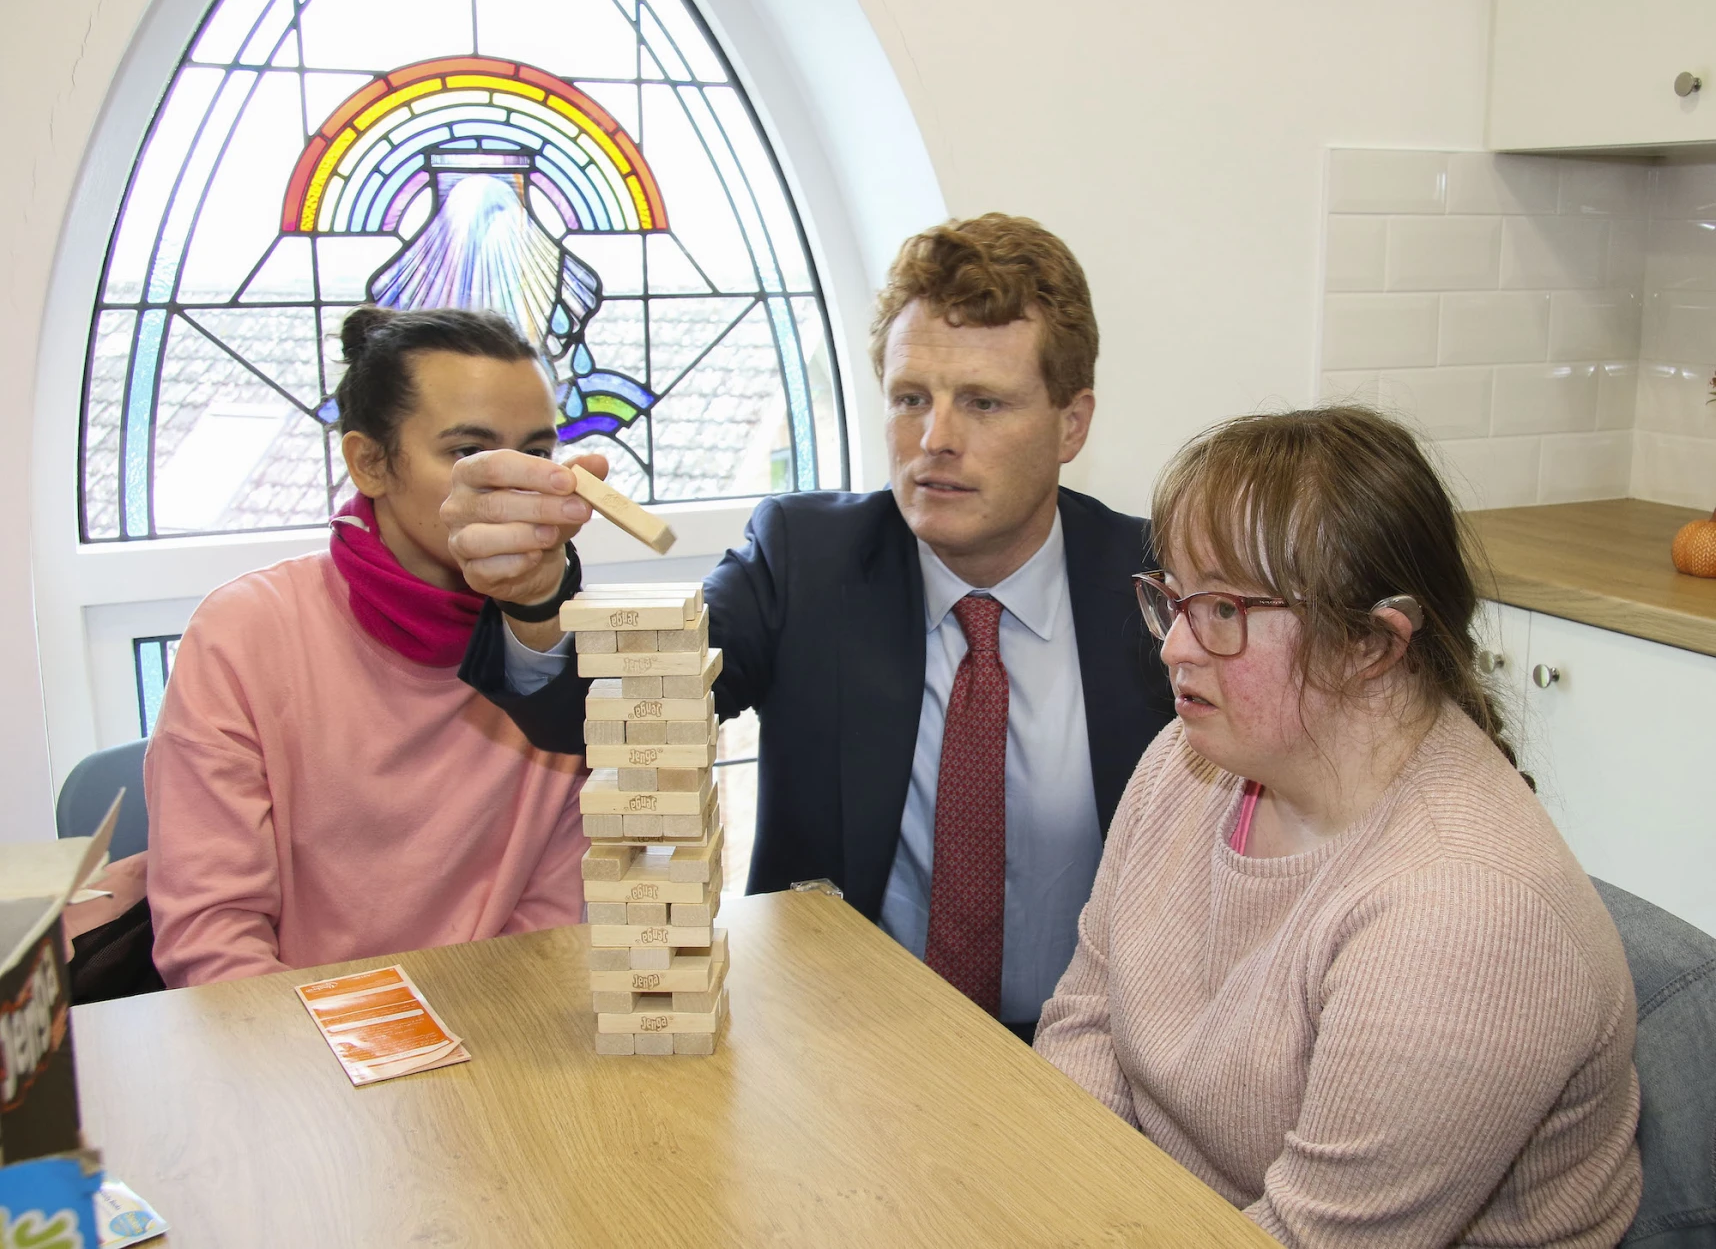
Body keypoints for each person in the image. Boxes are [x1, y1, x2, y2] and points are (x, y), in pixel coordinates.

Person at [447, 215, 1176, 1038]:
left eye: (983, 402)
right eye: (910, 400)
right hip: (839, 1043)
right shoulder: (806, 558)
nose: (934, 440)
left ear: (1071, 423)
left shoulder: (1161, 589)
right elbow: (610, 711)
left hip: (1087, 1065)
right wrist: (536, 597)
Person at [1036, 406, 1642, 1246]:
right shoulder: (1189, 759)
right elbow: (1088, 1016)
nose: (1175, 646)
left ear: (1373, 644)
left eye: (1221, 611)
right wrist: (1064, 1196)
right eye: (1173, 599)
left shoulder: (1466, 918)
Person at [146, 307, 593, 987]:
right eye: (467, 453)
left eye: (535, 456)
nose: (511, 488)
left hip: (501, 1033)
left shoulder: (556, 653)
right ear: (369, 463)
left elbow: (558, 924)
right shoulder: (243, 636)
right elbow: (212, 944)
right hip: (292, 1046)